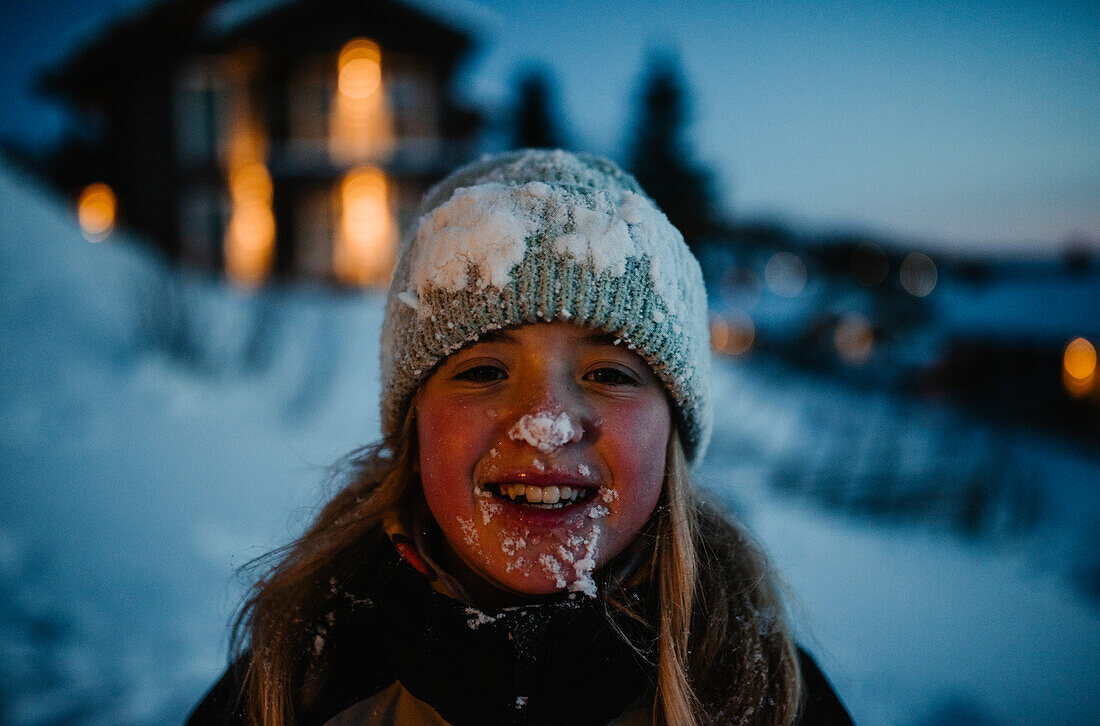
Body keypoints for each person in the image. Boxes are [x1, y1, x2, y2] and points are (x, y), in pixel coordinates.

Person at [188, 150, 853, 726]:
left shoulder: (763, 694)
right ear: (415, 424)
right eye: (483, 370)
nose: (547, 423)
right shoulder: (291, 687)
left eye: (608, 373)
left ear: (673, 428)